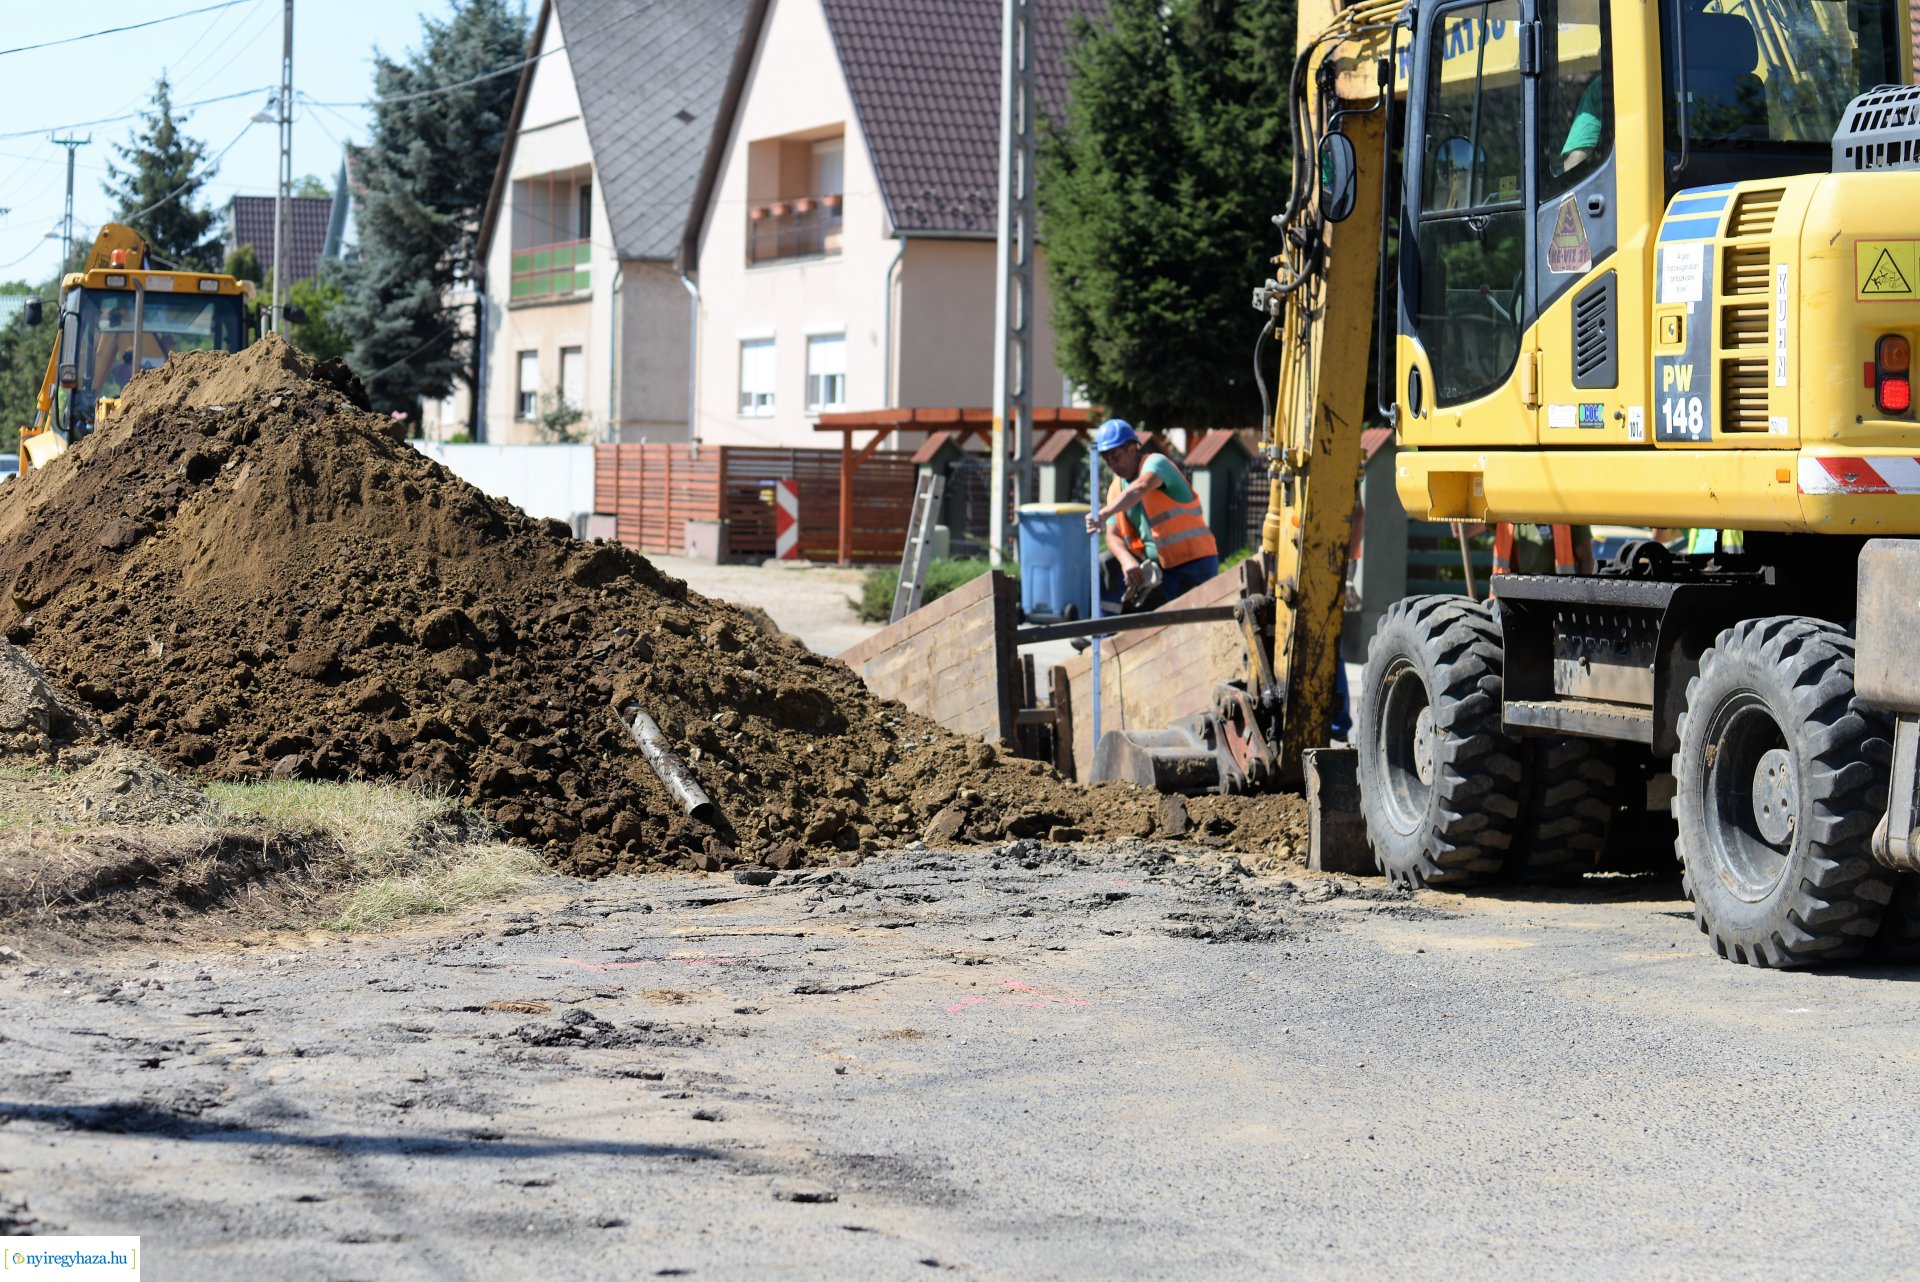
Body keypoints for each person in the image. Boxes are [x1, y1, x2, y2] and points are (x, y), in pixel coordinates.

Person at [1083, 419, 1220, 603]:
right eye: (1107, 460)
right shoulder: (1116, 489)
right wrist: (1127, 561)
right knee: (1106, 565)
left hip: (1194, 564)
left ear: (1132, 449)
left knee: (1196, 625)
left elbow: (1141, 487)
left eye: (1115, 456)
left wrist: (1104, 513)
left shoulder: (1156, 463)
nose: (1112, 465)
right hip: (1161, 570)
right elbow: (1112, 536)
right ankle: (1108, 632)